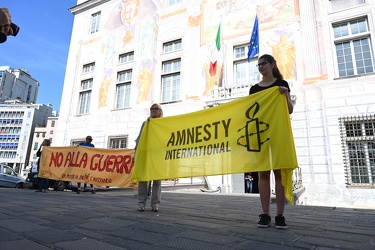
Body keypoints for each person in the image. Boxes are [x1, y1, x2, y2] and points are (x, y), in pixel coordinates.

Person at [249, 54, 294, 230]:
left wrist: (284, 95)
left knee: (279, 173)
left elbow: (289, 110)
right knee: (263, 174)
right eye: (258, 65)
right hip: (260, 134)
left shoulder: (282, 85)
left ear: (272, 64)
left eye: (264, 63)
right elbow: (250, 112)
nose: (261, 67)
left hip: (278, 134)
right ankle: (265, 214)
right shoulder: (254, 89)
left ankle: (280, 215)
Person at [134, 103, 163, 212]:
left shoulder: (163, 123)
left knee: (157, 180)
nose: (153, 110)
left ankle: (155, 204)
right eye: (152, 109)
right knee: (142, 179)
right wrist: (135, 152)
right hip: (145, 154)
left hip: (157, 155)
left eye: (156, 108)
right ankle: (141, 203)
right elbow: (139, 138)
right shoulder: (145, 124)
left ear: (160, 111)